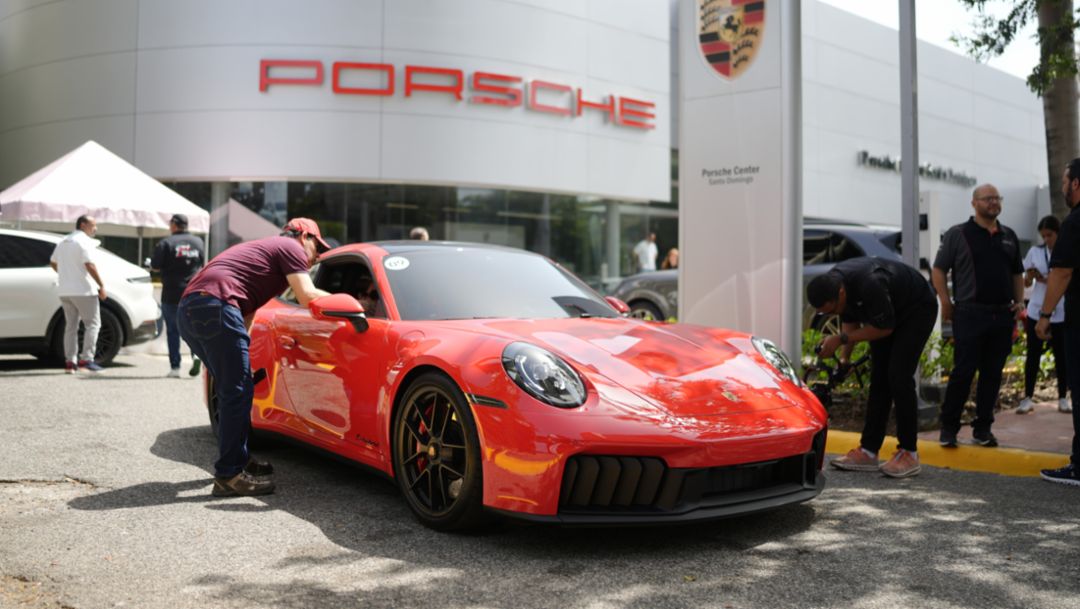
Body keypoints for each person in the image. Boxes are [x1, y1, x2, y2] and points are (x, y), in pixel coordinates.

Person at [178, 218, 332, 497]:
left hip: (192, 309)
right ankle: (229, 475)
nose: (316, 256)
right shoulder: (291, 247)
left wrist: (243, 358)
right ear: (304, 236)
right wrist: (347, 302)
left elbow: (247, 313)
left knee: (235, 389)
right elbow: (307, 296)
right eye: (317, 247)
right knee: (236, 392)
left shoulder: (267, 254)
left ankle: (237, 460)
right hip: (215, 305)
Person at [809, 257, 937, 478]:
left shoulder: (870, 283)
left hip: (916, 309)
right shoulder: (835, 282)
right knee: (879, 379)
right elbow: (849, 317)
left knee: (898, 375)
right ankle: (868, 451)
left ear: (840, 293)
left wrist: (839, 339)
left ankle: (909, 453)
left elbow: (884, 328)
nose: (833, 315)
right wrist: (845, 359)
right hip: (888, 312)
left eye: (832, 309)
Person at [932, 183, 1025, 448]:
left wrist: (1019, 303)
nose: (993, 203)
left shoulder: (1009, 235)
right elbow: (939, 270)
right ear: (974, 203)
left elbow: (1016, 273)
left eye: (997, 198)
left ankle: (982, 429)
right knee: (963, 373)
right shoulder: (958, 234)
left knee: (992, 375)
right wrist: (945, 302)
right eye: (988, 199)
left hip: (1001, 316)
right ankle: (948, 428)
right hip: (970, 314)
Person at [1035, 158, 1080, 486]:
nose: (1063, 188)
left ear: (1076, 184)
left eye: (1065, 182)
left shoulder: (1074, 223)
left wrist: (1045, 315)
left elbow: (1062, 272)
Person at [1018, 215, 1068, 414]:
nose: (1047, 239)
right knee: (1033, 354)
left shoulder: (1066, 251)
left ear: (1058, 233)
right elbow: (1026, 283)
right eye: (1044, 236)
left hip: (1060, 310)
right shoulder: (1035, 252)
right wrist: (1031, 276)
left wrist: (1051, 279)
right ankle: (1028, 397)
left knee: (1061, 355)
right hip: (1036, 309)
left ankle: (1063, 397)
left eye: (1050, 235)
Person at [49, 215, 106, 374]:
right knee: (93, 324)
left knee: (71, 327)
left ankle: (70, 362)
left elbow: (52, 262)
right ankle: (87, 359)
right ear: (83, 224)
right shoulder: (84, 242)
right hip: (83, 290)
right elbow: (90, 265)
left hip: (65, 290)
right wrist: (101, 285)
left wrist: (66, 275)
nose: (95, 228)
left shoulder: (64, 241)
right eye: (93, 225)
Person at [151, 213, 205, 378]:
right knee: (194, 328)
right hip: (193, 292)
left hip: (171, 293)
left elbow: (155, 266)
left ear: (174, 225)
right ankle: (196, 355)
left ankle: (175, 368)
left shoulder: (166, 243)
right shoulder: (198, 242)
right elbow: (202, 264)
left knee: (173, 331)